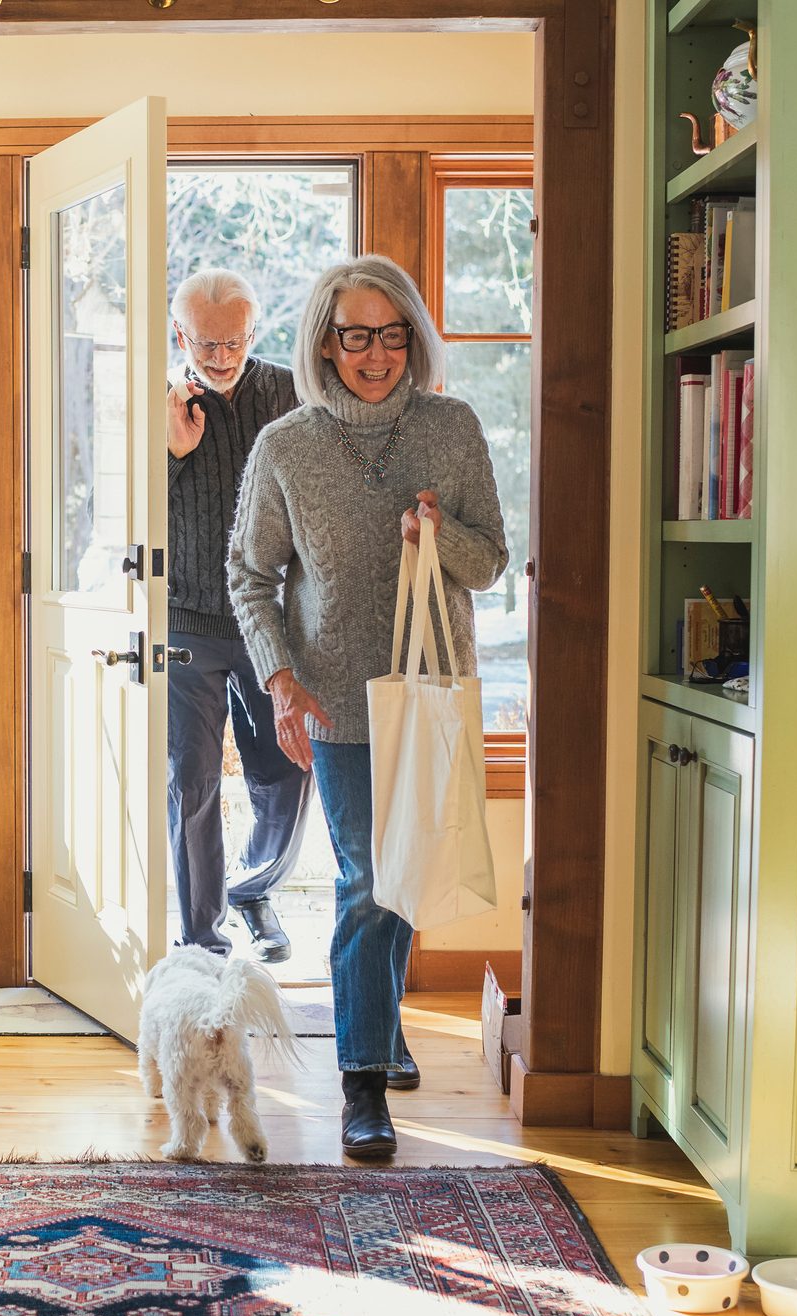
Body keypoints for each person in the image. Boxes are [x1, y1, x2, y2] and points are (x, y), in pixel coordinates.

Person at [228, 254, 507, 1158]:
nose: (376, 354)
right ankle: (362, 1085)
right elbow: (250, 575)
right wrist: (278, 677)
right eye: (357, 335)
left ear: (412, 340)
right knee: (364, 881)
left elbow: (490, 561)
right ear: (324, 342)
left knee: (407, 876)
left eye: (393, 336)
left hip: (428, 689)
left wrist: (440, 531)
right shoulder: (285, 447)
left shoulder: (452, 429)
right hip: (337, 699)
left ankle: (380, 1035)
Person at [163, 269, 310, 963]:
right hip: (184, 619)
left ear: (253, 333)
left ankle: (253, 887)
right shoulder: (156, 399)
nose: (218, 357)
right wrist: (170, 452)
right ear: (179, 334)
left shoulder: (287, 392)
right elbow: (120, 515)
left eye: (232, 343)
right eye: (203, 343)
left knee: (287, 770)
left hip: (271, 620)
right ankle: (201, 938)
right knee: (190, 779)